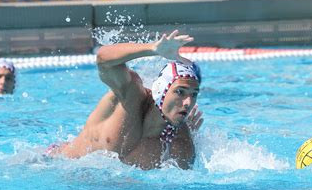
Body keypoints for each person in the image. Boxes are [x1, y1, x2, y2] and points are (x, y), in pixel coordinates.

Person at [53, 30, 203, 170]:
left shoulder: (179, 143)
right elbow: (103, 59)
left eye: (193, 94)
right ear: (160, 90)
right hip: (55, 164)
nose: (188, 102)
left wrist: (193, 136)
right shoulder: (131, 96)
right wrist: (153, 49)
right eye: (180, 92)